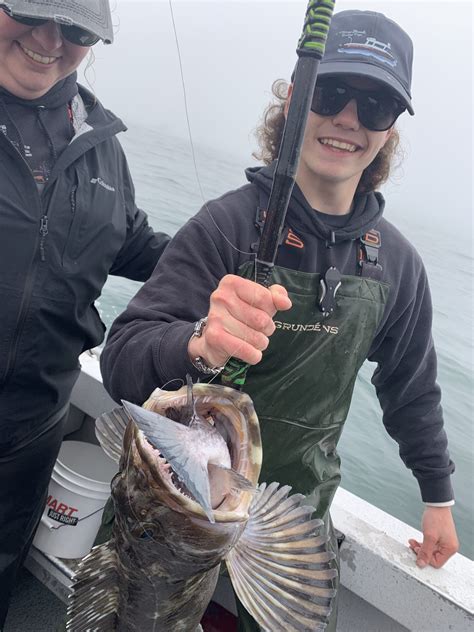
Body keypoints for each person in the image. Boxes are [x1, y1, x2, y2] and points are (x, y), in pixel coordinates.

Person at [99, 9, 459, 631]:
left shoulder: (395, 264)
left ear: (390, 131)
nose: (348, 117)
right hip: (173, 512)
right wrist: (197, 344)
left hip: (290, 520)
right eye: (331, 93)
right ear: (294, 102)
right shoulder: (225, 227)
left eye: (375, 105)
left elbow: (413, 387)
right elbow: (121, 359)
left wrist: (437, 496)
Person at [0, 0, 170, 627]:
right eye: (29, 13)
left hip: (32, 428)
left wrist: (224, 258)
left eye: (73, 28)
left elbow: (136, 246)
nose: (49, 40)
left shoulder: (100, 147)